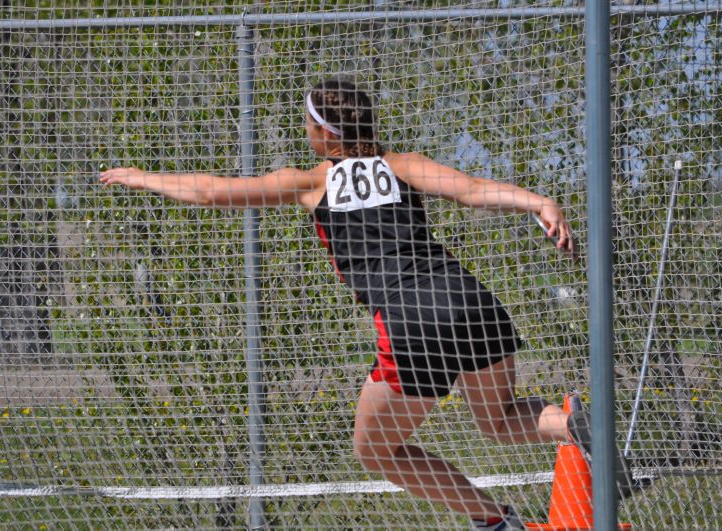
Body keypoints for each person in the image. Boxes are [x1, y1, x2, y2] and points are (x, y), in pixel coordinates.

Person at [100, 78, 611, 531]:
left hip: (410, 319)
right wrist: (539, 201)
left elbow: (212, 193)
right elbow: (474, 190)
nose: (304, 129)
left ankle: (495, 520)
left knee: (374, 450)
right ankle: (573, 426)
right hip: (469, 298)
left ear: (326, 135)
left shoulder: (312, 180)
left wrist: (144, 177)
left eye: (307, 122)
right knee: (498, 421)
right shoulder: (402, 165)